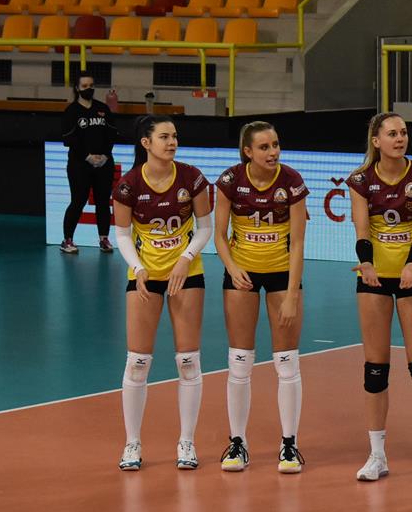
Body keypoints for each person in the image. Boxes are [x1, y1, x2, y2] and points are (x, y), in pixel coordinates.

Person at [349, 112, 412, 484]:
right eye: (392, 133)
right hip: (373, 277)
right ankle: (376, 456)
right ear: (376, 141)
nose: (400, 138)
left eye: (404, 132)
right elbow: (362, 230)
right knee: (375, 369)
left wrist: (411, 265)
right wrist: (366, 264)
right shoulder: (361, 180)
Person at [111, 115, 214, 471]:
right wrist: (138, 267)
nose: (172, 142)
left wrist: (185, 259)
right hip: (145, 277)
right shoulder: (128, 185)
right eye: (165, 137)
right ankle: (132, 444)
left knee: (188, 361)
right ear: (146, 143)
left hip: (186, 275)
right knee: (137, 363)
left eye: (175, 136)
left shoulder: (191, 177)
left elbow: (205, 228)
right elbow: (122, 234)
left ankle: (187, 442)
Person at [211, 121, 309, 475]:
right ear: (248, 152)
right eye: (264, 147)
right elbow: (219, 234)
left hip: (282, 273)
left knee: (287, 361)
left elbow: (298, 242)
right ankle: (238, 442)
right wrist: (232, 267)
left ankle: (289, 444)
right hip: (242, 274)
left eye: (275, 145)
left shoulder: (291, 181)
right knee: (239, 360)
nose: (273, 152)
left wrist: (292, 294)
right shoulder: (230, 180)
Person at [60, 74, 117, 254]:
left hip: (104, 164)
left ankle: (104, 238)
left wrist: (105, 155)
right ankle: (67, 240)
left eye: (91, 85)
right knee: (78, 201)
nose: (89, 89)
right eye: (85, 86)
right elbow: (69, 139)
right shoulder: (71, 111)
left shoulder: (103, 109)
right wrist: (87, 156)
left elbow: (111, 135)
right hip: (79, 165)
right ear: (77, 88)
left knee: (103, 202)